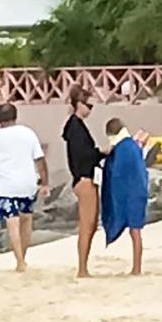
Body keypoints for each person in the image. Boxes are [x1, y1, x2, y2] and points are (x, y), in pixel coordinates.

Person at [0, 103, 49, 273]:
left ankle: (20, 261)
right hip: (28, 184)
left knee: (12, 224)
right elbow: (40, 160)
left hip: (7, 187)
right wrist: (45, 183)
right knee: (26, 220)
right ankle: (24, 256)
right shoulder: (28, 133)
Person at [100, 118, 149, 276]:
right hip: (138, 191)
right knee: (136, 230)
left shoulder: (122, 148)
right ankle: (137, 267)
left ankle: (137, 268)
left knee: (135, 232)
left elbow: (117, 174)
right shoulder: (131, 146)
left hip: (131, 193)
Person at [64, 88, 103, 277]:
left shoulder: (75, 127)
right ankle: (82, 268)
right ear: (79, 104)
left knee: (92, 224)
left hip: (86, 177)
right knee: (87, 225)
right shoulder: (76, 128)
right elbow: (83, 155)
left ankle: (83, 266)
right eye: (89, 105)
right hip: (84, 178)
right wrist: (101, 153)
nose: (91, 110)